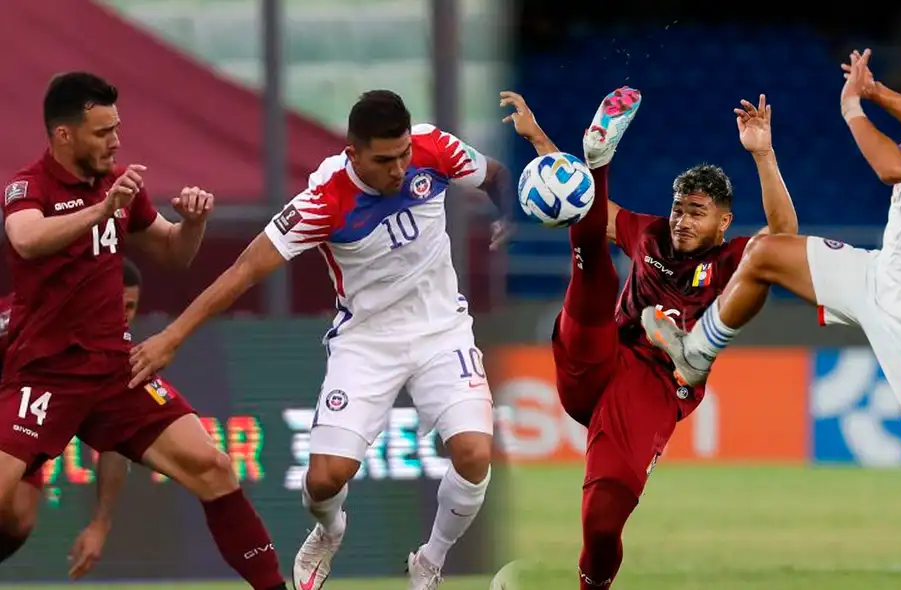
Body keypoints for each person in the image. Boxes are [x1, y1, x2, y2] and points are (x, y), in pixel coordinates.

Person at [641, 23, 901, 589]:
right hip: (879, 274)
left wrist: (853, 108)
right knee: (763, 252)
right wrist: (881, 95)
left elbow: (890, 166)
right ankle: (694, 353)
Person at [128, 89, 515, 590]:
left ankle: (430, 561)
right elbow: (245, 270)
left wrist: (508, 213)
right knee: (324, 480)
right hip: (367, 342)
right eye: (383, 160)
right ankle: (330, 530)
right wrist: (172, 336)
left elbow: (497, 176)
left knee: (474, 453)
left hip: (442, 330)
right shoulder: (323, 200)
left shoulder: (433, 148)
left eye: (402, 155)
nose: (398, 169)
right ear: (353, 154)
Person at [499, 86, 797, 589]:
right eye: (679, 208)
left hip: (653, 383)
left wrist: (763, 154)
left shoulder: (734, 260)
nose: (681, 220)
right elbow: (580, 201)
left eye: (696, 212)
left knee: (601, 521)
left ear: (723, 222)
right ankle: (600, 158)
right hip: (597, 354)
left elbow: (785, 236)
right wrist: (538, 140)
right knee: (594, 270)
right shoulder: (650, 234)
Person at [0, 72, 288, 590]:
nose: (115, 141)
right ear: (64, 135)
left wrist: (193, 223)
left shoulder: (120, 188)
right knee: (6, 510)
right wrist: (101, 210)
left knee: (214, 467)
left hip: (115, 370)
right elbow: (25, 238)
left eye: (116, 128)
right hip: (46, 373)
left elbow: (173, 253)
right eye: (101, 131)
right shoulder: (30, 185)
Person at [0, 259, 151, 579]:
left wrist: (100, 523)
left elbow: (116, 443)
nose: (123, 315)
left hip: (22, 443)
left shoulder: (117, 363)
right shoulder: (20, 317)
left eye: (131, 306)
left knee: (19, 517)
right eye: (116, 303)